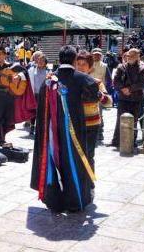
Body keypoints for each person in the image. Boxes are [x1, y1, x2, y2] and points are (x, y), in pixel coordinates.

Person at [30, 45, 100, 212]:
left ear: (58, 59)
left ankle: (53, 198)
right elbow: (94, 95)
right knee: (73, 162)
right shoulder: (83, 78)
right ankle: (75, 201)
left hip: (51, 132)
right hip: (73, 132)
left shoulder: (49, 80)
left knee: (52, 162)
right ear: (75, 60)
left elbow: (41, 107)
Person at [0, 46, 36, 146]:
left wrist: (18, 76)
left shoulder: (12, 66)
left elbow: (25, 71)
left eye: (0, 54)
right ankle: (0, 139)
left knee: (6, 119)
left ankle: (2, 138)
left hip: (9, 96)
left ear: (5, 55)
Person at [76, 51, 112, 178]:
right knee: (75, 154)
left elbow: (109, 102)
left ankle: (89, 180)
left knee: (89, 154)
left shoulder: (96, 82)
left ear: (90, 67)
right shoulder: (72, 82)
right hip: (75, 123)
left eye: (83, 64)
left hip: (92, 124)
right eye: (78, 64)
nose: (80, 67)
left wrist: (99, 96)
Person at [110, 49, 144, 149]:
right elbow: (115, 81)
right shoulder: (121, 67)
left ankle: (131, 140)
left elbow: (142, 83)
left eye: (132, 56)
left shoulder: (142, 69)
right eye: (128, 55)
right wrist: (122, 89)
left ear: (137, 57)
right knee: (120, 120)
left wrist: (130, 89)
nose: (129, 57)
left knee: (133, 120)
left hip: (135, 99)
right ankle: (117, 140)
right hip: (123, 98)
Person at [27, 53, 49, 135]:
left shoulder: (48, 71)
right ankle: (32, 127)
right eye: (39, 60)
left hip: (44, 95)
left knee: (42, 112)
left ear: (45, 62)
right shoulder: (31, 70)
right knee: (33, 111)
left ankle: (41, 128)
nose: (40, 62)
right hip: (34, 94)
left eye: (42, 60)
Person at [90, 48, 109, 142]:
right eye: (95, 54)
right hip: (87, 92)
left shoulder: (105, 66)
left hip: (99, 93)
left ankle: (100, 133)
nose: (96, 56)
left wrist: (106, 93)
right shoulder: (87, 64)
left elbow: (108, 80)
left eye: (98, 55)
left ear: (101, 56)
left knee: (99, 113)